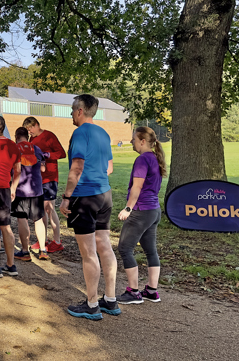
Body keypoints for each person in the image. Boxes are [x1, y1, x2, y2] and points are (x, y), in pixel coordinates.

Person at [58, 94, 118, 320]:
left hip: (85, 197)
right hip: (105, 195)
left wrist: (66, 197)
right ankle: (110, 301)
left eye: (73, 110)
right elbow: (109, 168)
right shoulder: (103, 133)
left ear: (80, 110)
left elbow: (77, 167)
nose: (72, 114)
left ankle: (92, 304)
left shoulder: (80, 133)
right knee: (105, 246)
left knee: (89, 253)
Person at [116, 127, 166, 305]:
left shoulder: (143, 159)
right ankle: (152, 291)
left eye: (133, 139)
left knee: (125, 248)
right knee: (151, 251)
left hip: (141, 210)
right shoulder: (155, 158)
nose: (131, 142)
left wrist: (128, 209)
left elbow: (137, 187)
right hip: (153, 211)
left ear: (142, 141)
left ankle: (134, 292)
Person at [23, 116, 66, 253]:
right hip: (38, 178)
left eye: (30, 129)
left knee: (49, 208)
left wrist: (47, 155)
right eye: (28, 131)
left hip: (50, 177)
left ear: (36, 125)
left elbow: (62, 153)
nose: (30, 132)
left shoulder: (49, 136)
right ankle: (44, 240)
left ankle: (57, 241)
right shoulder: (32, 139)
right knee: (41, 209)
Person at [0, 115, 20, 277]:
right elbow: (18, 170)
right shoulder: (12, 146)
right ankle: (11, 265)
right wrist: (13, 187)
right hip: (6, 189)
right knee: (6, 226)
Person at [12, 127, 50, 262]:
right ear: (27, 137)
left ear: (16, 136)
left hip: (20, 189)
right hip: (36, 189)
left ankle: (25, 251)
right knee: (38, 219)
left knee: (22, 219)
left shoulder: (14, 148)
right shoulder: (36, 149)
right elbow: (43, 168)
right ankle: (43, 250)